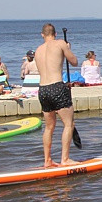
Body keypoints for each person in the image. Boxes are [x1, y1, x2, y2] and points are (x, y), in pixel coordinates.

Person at [34, 23, 79, 168]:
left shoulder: (38, 50)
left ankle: (47, 160)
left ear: (42, 35)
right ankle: (65, 159)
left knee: (49, 127)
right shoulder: (60, 43)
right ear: (55, 34)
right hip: (57, 87)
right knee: (68, 124)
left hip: (43, 90)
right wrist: (68, 49)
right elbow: (74, 62)